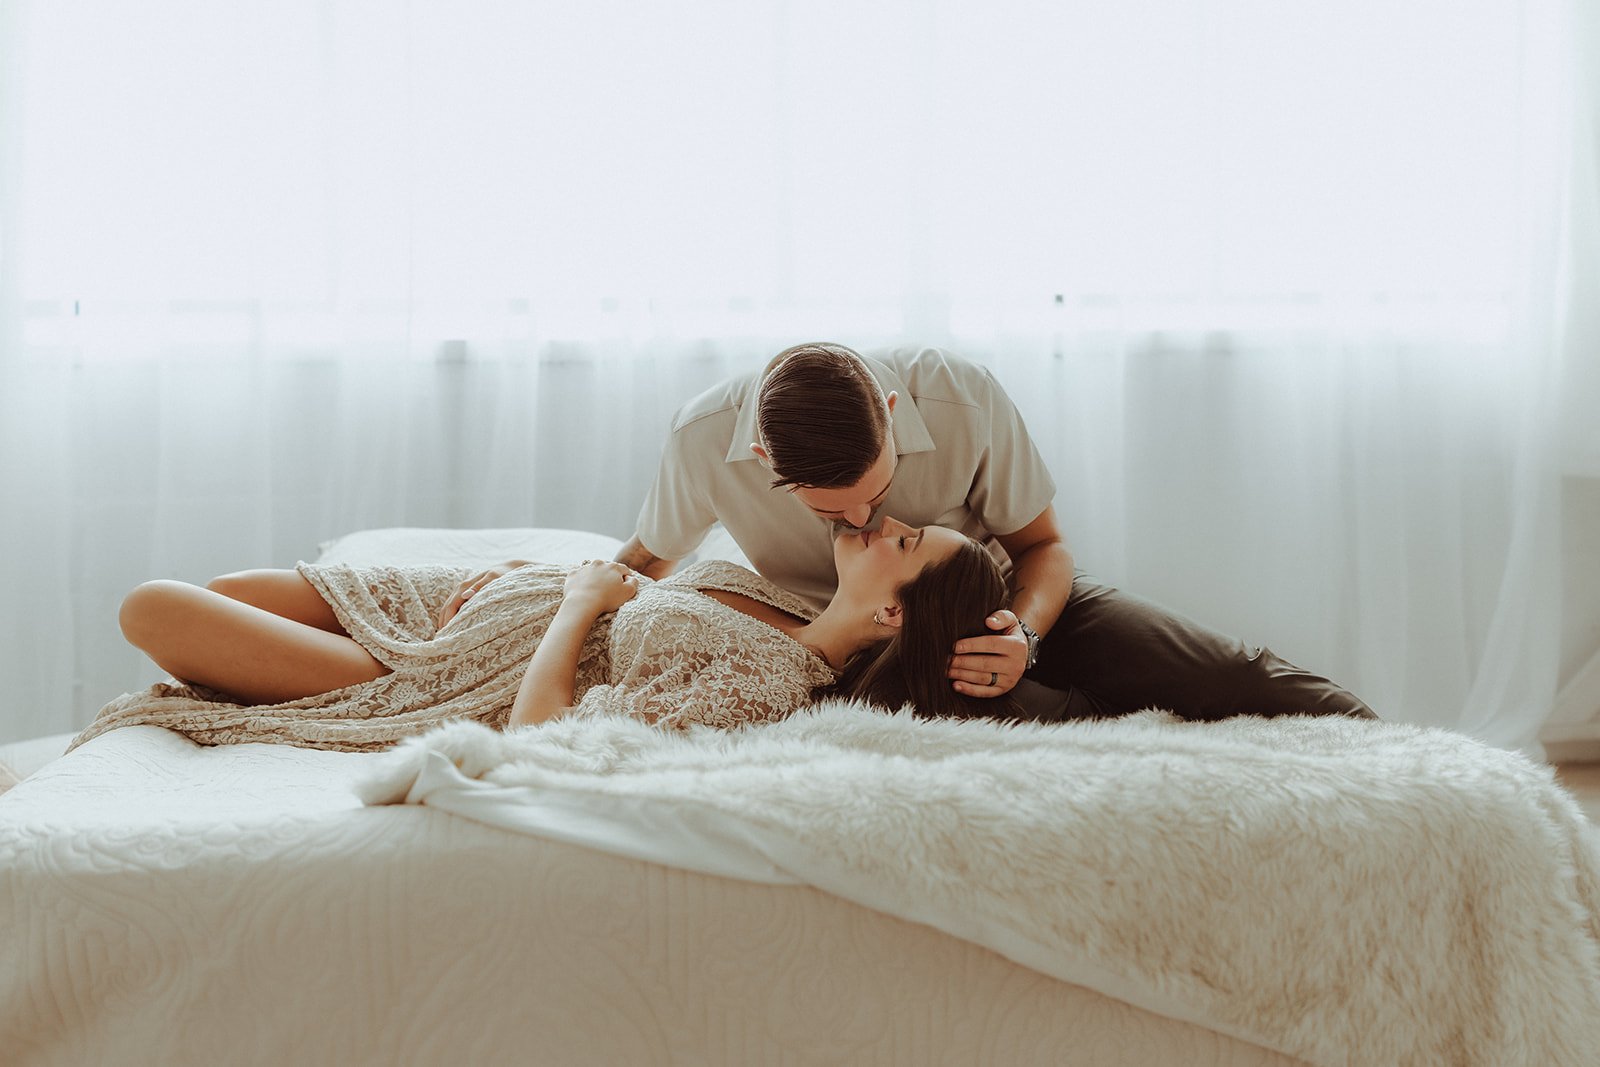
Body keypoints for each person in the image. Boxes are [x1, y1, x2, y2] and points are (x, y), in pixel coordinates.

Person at [594, 341, 1377, 723]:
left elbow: (1045, 547)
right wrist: (530, 586)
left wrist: (1025, 635)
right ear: (764, 459)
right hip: (873, 655)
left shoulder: (959, 397)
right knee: (1083, 726)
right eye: (834, 514)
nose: (867, 523)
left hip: (1010, 598)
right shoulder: (701, 442)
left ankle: (1407, 760)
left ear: (893, 417)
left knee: (1228, 678)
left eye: (878, 494)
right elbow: (638, 565)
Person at [69, 517, 1014, 754]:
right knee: (228, 589)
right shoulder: (778, 585)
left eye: (902, 541)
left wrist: (575, 605)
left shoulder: (767, 688)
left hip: (454, 674)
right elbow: (638, 590)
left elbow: (541, 735)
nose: (881, 523)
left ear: (893, 611)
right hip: (475, 600)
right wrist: (542, 577)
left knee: (153, 608)